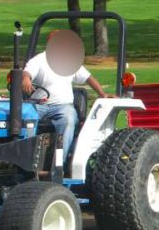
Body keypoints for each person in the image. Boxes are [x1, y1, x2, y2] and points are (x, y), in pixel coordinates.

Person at [23, 30, 111, 164]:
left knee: (68, 120)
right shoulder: (39, 60)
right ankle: (26, 159)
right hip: (39, 105)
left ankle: (59, 164)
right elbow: (27, 72)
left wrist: (102, 94)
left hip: (63, 106)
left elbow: (88, 78)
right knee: (24, 118)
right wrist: (26, 79)